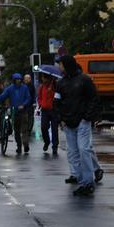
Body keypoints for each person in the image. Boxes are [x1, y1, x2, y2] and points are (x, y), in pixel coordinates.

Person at [54, 55, 101, 196]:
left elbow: (94, 99)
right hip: (68, 123)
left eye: (60, 64)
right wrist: (61, 119)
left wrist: (86, 117)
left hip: (81, 122)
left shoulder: (84, 80)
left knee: (84, 150)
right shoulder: (60, 83)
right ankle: (81, 181)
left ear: (67, 65)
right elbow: (57, 102)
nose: (59, 67)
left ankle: (88, 182)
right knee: (73, 152)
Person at [0, 73, 32, 154]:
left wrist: (23, 105)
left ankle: (25, 145)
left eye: (19, 79)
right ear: (14, 80)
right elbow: (2, 96)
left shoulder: (24, 88)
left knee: (24, 129)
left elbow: (28, 98)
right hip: (14, 112)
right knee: (17, 130)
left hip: (23, 111)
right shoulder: (10, 89)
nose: (18, 81)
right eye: (16, 80)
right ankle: (19, 146)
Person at [38, 73, 59, 155]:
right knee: (43, 127)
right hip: (44, 110)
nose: (42, 79)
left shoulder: (55, 86)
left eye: (43, 77)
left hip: (53, 110)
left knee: (54, 129)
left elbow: (58, 97)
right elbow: (39, 97)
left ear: (47, 78)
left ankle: (55, 146)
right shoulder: (42, 87)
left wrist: (52, 92)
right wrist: (40, 104)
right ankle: (46, 142)